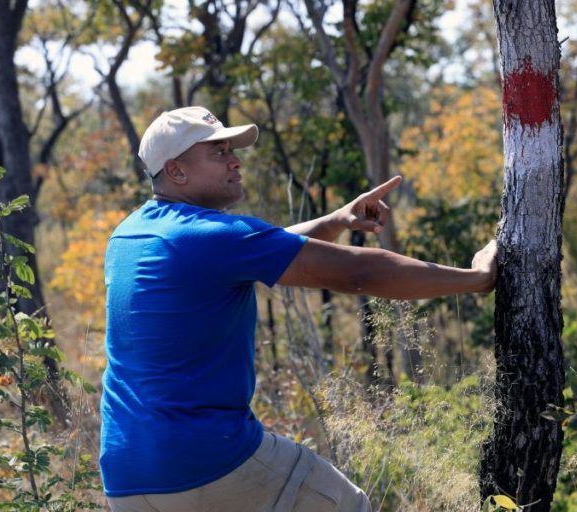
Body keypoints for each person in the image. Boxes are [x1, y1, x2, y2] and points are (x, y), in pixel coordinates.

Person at [101, 106, 497, 512]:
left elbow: (265, 249)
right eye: (217, 153)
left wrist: (337, 220)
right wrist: (476, 278)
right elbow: (359, 273)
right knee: (347, 505)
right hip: (208, 460)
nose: (235, 160)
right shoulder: (213, 238)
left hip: (126, 475)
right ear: (176, 171)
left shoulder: (130, 235)